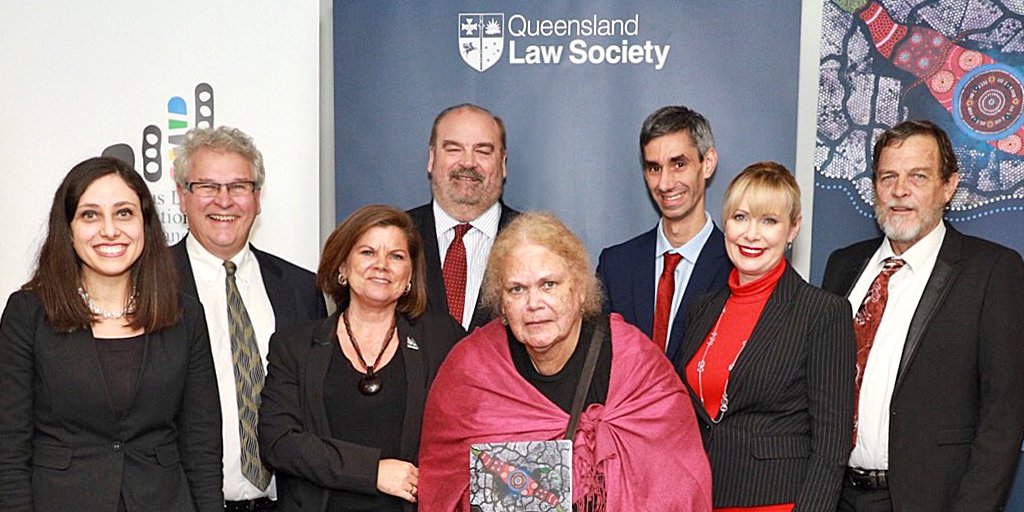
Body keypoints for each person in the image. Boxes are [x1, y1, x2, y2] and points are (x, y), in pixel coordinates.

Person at [419, 211, 712, 511]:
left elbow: (680, 482)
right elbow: (443, 485)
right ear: (501, 305)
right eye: (517, 289)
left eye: (549, 284)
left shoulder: (635, 363)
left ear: (580, 290)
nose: (534, 303)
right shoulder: (471, 370)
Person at [822, 120, 1024, 511]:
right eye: (888, 177)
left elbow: (1003, 416)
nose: (900, 190)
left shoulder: (992, 271)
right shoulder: (842, 266)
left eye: (918, 176)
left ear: (948, 186)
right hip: (835, 496)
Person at [0, 157, 222, 511]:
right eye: (90, 215)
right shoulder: (28, 314)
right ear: (68, 228)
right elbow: (9, 446)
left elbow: (202, 442)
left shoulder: (184, 314)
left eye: (124, 213)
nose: (109, 230)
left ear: (145, 224)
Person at [259, 204, 464, 511]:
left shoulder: (441, 339)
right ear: (342, 267)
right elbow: (279, 442)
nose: (381, 265)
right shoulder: (295, 346)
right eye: (368, 252)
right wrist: (372, 472)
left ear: (410, 275)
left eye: (396, 256)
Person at [679, 162, 855, 511]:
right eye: (740, 217)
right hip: (702, 498)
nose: (751, 234)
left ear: (793, 228)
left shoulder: (822, 312)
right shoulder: (703, 308)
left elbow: (831, 449)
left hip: (777, 502)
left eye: (769, 221)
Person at [171, 126, 327, 511]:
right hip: (186, 501)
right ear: (182, 196)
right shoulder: (150, 285)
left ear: (257, 198)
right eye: (207, 186)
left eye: (238, 186)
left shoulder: (300, 288)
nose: (224, 200)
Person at [598, 105, 732, 365]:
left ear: (708, 163)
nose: (665, 184)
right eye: (654, 168)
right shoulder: (615, 266)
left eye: (679, 164)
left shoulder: (735, 269)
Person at [407, 103, 520, 333]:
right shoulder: (396, 237)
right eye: (454, 149)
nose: (468, 162)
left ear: (503, 163)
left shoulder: (535, 242)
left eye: (483, 151)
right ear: (432, 158)